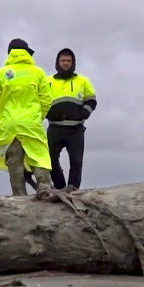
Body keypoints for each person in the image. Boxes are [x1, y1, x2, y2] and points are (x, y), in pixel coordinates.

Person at [0, 39, 53, 198]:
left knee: (14, 162)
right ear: (26, 53)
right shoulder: (38, 72)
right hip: (31, 123)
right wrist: (38, 116)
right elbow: (47, 99)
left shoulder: (1, 73)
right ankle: (44, 188)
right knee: (39, 156)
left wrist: (4, 116)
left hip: (9, 125)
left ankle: (19, 195)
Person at [46, 48, 97, 191]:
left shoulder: (82, 80)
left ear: (73, 62)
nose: (66, 63)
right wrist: (47, 113)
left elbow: (92, 100)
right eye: (63, 60)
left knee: (76, 163)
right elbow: (39, 101)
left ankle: (73, 190)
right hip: (54, 128)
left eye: (69, 60)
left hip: (76, 130)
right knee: (50, 161)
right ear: (58, 62)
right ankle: (61, 188)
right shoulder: (47, 81)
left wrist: (84, 113)